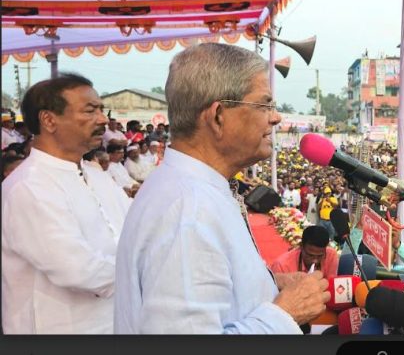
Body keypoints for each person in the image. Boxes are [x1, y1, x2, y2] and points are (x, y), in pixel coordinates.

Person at [114, 43, 330, 334]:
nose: (276, 117)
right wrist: (285, 313)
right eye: (264, 104)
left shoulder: (195, 190)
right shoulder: (189, 212)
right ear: (217, 116)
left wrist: (268, 285)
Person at [2, 74, 129, 333]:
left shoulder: (96, 176)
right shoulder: (29, 187)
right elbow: (79, 270)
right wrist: (148, 272)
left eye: (101, 110)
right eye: (90, 110)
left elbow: (139, 227)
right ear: (49, 120)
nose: (103, 119)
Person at [270, 226, 339, 279]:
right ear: (301, 247)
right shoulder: (281, 265)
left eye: (320, 256)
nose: (315, 260)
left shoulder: (331, 255)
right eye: (310, 255)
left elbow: (331, 284)